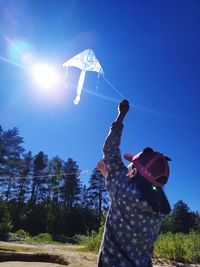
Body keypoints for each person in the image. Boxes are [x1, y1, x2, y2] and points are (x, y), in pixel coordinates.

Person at [97, 99, 171, 267]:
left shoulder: (123, 192)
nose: (126, 170)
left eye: (129, 167)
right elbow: (125, 194)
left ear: (135, 172)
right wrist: (108, 176)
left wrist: (121, 114)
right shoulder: (159, 208)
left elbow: (110, 150)